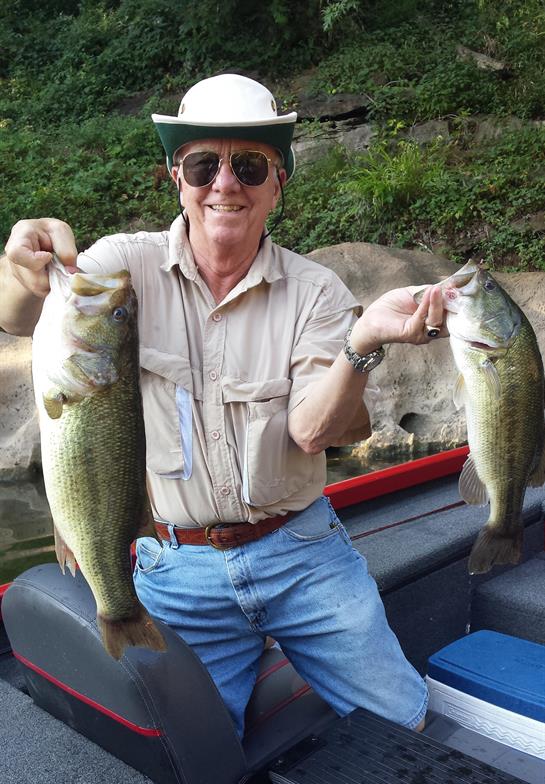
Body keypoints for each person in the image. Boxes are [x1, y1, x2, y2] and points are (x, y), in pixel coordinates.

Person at [0, 73, 446, 738]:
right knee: (192, 756)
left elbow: (310, 429)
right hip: (174, 568)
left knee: (403, 722)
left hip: (303, 554)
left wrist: (361, 345)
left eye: (249, 165)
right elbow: (20, 314)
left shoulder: (318, 293)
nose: (224, 183)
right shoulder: (122, 265)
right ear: (177, 179)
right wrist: (19, 265)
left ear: (278, 183)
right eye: (203, 164)